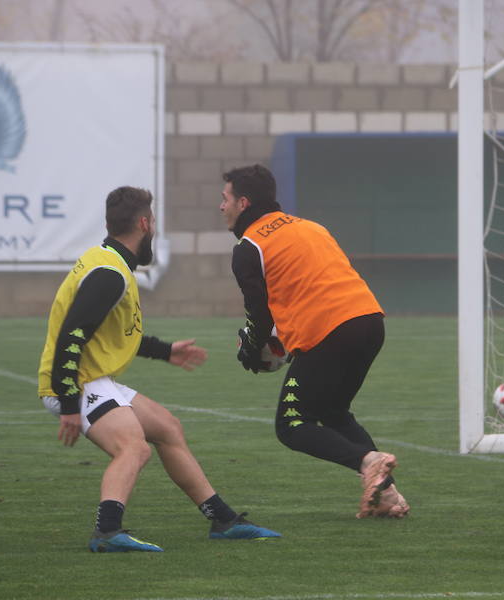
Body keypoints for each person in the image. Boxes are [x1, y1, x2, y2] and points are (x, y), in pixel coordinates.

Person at [38, 186, 280, 552]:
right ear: (144, 223)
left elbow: (116, 333)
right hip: (77, 382)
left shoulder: (110, 263)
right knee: (133, 447)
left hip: (91, 379)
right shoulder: (110, 273)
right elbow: (71, 336)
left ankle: (223, 520)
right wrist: (69, 405)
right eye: (152, 223)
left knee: (167, 427)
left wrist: (164, 351)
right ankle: (107, 532)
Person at [219, 164, 409, 519]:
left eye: (225, 198)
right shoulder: (310, 226)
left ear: (243, 202)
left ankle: (369, 460)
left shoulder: (249, 247)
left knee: (290, 425)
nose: (221, 206)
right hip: (369, 321)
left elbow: (258, 315)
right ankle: (387, 496)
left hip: (329, 331)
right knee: (332, 412)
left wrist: (251, 349)